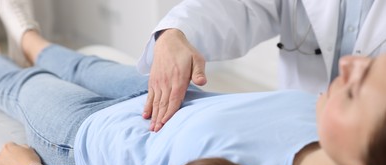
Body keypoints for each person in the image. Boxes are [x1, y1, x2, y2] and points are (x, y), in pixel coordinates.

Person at [0, 0, 386, 165]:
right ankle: (29, 36)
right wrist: (175, 35)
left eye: (354, 90)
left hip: (87, 137)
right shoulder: (318, 118)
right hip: (165, 97)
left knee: (14, 85)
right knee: (78, 64)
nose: (350, 64)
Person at [140, 0, 386, 132]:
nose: (349, 66)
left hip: (367, 145)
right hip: (293, 125)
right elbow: (238, 6)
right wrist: (175, 32)